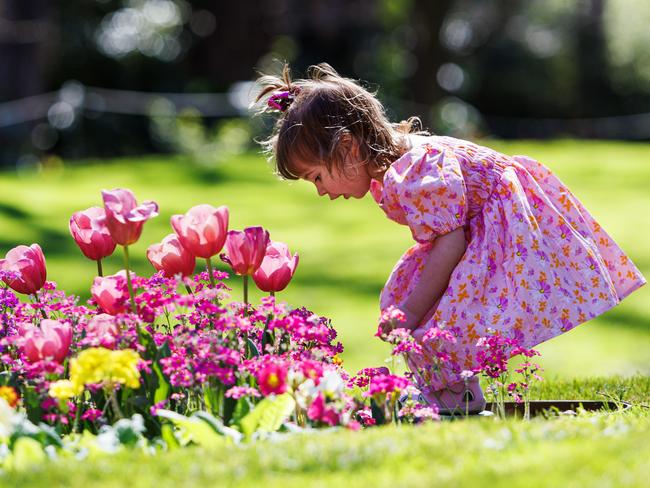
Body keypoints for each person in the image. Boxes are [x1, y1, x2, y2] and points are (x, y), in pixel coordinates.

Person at [252, 62, 647, 414]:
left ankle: (455, 392)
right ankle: (447, 389)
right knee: (403, 292)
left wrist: (410, 312)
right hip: (474, 230)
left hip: (502, 226)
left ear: (348, 146)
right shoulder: (392, 170)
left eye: (316, 177)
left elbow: (451, 244)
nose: (321, 191)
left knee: (442, 314)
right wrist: (406, 304)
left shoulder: (412, 173)